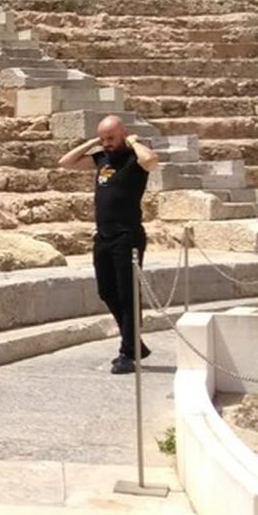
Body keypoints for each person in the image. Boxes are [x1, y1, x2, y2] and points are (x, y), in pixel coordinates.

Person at [58, 114, 160, 374]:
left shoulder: (134, 159)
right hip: (103, 236)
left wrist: (133, 142)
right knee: (106, 291)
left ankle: (128, 352)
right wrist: (93, 142)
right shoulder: (101, 158)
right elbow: (65, 163)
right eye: (104, 138)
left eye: (111, 138)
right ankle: (135, 342)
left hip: (128, 236)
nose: (107, 143)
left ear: (123, 134)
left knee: (127, 295)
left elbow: (150, 161)